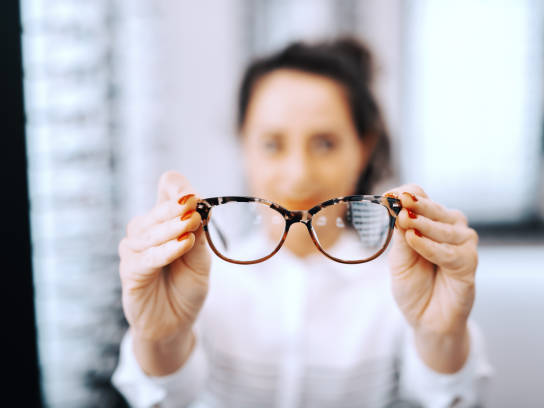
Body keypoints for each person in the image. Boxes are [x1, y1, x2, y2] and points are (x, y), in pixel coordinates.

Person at [112, 38, 492, 407]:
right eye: (272, 143)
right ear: (243, 145)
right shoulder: (197, 282)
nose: (298, 175)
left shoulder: (408, 285)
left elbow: (447, 397)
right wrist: (159, 339)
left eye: (325, 143)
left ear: (364, 147)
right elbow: (165, 397)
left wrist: (441, 335)